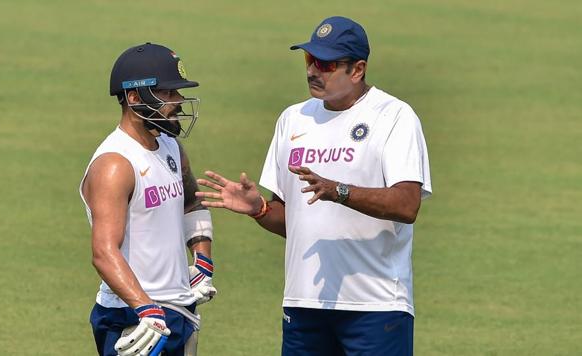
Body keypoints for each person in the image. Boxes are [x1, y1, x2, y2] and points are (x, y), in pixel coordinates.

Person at [196, 17, 431, 356]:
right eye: (309, 60)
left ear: (357, 69)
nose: (312, 71)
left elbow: (406, 205)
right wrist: (259, 209)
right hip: (304, 304)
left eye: (325, 64)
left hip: (376, 306)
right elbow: (293, 220)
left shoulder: (394, 117)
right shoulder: (293, 119)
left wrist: (339, 191)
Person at [80, 42, 217, 356]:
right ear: (133, 97)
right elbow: (103, 252)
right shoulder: (115, 165)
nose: (179, 101)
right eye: (168, 94)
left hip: (178, 309)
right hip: (133, 316)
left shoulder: (169, 146)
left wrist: (202, 261)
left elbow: (192, 201)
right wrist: (147, 309)